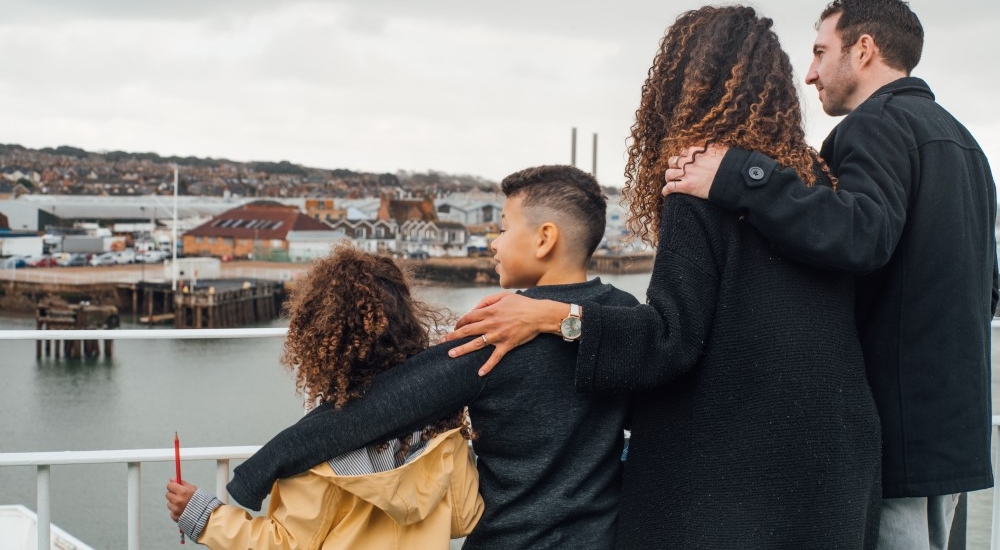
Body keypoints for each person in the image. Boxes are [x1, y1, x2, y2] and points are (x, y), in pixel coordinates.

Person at [443, 6, 883, 549]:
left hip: (733, 484)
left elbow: (671, 341)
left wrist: (556, 317)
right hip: (835, 467)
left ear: (679, 85)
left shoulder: (698, 182)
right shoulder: (812, 179)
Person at [655, 1, 998, 548]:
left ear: (863, 50)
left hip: (893, 430)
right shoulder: (966, 146)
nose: (810, 72)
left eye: (820, 52)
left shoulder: (876, 124)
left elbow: (861, 233)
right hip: (952, 434)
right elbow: (988, 287)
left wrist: (740, 176)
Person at [221, 165, 640, 549]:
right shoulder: (625, 319)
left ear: (545, 238)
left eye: (503, 227)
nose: (493, 241)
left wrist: (255, 474)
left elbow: (374, 409)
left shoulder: (494, 332)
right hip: (602, 538)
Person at [164, 245, 483, 549]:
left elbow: (283, 544)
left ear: (319, 341)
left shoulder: (316, 452)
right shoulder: (442, 428)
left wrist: (203, 516)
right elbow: (463, 517)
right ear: (408, 327)